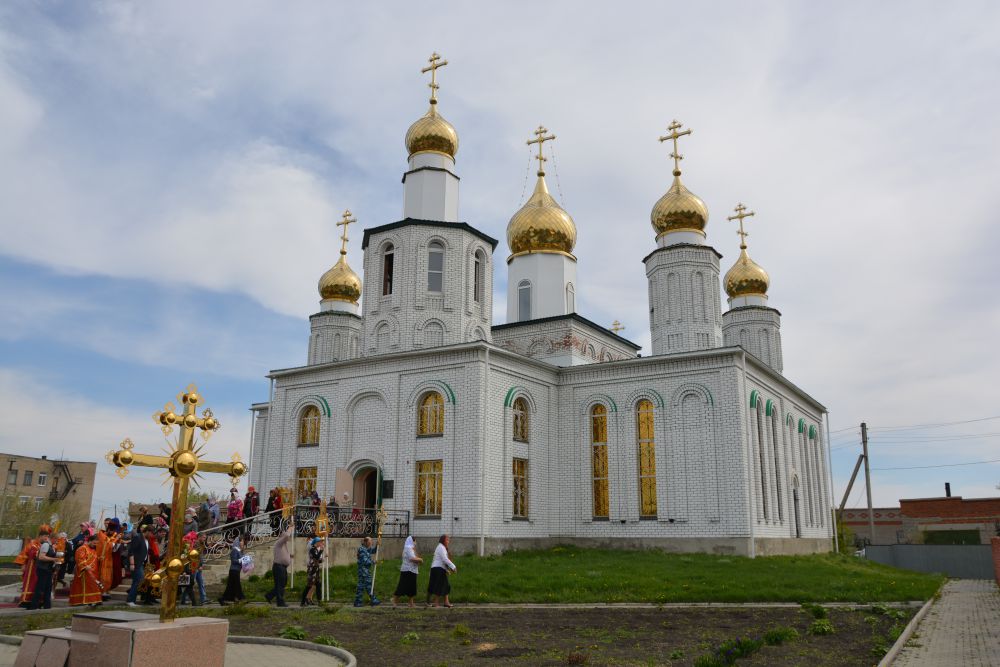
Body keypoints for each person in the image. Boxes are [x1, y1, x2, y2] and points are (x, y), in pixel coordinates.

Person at [68, 533, 102, 607]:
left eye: (96, 543)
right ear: (89, 541)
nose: (95, 545)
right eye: (94, 543)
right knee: (89, 586)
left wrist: (99, 559)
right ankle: (88, 601)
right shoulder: (82, 548)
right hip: (84, 571)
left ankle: (93, 600)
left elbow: (94, 559)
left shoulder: (93, 549)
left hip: (93, 571)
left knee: (93, 586)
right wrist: (85, 566)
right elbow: (80, 558)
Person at [28, 531, 59, 609]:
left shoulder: (51, 546)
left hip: (48, 569)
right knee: (40, 588)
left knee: (48, 588)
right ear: (53, 538)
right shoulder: (46, 545)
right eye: (56, 539)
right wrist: (54, 559)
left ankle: (47, 606)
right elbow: (41, 557)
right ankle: (34, 606)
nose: (57, 541)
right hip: (43, 569)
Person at [264, 525, 292, 607]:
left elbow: (282, 554)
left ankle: (269, 595)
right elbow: (287, 535)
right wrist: (290, 529)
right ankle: (280, 602)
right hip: (278, 567)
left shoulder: (283, 545)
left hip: (282, 567)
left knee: (282, 584)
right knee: (280, 585)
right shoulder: (279, 543)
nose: (287, 537)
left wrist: (290, 556)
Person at [392, 536, 423, 607]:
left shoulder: (411, 548)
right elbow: (412, 558)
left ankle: (411, 603)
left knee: (412, 587)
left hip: (412, 570)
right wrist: (420, 560)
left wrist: (418, 559)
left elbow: (415, 557)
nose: (415, 543)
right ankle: (394, 600)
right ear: (412, 541)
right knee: (402, 586)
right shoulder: (408, 548)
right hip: (407, 570)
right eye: (414, 541)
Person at [428, 534, 457, 608]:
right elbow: (445, 559)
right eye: (447, 540)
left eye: (449, 540)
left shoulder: (442, 547)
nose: (448, 541)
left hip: (439, 568)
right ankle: (435, 603)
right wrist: (453, 567)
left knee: (446, 585)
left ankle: (446, 602)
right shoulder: (441, 547)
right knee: (440, 585)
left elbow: (442, 561)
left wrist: (446, 570)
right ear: (443, 540)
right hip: (438, 569)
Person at [126, 526, 151, 607]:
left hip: (141, 563)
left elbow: (146, 552)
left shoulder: (146, 540)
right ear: (147, 531)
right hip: (136, 563)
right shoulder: (138, 538)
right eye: (150, 533)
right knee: (139, 581)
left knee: (137, 581)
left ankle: (131, 599)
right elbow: (131, 551)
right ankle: (130, 600)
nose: (151, 535)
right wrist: (132, 564)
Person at [218, 535, 246, 605]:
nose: (243, 542)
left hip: (237, 570)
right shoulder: (234, 550)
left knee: (231, 587)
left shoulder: (239, 550)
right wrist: (241, 560)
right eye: (242, 541)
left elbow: (242, 558)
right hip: (234, 570)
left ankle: (224, 599)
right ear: (238, 542)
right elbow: (234, 561)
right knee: (236, 585)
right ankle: (241, 598)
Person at [354, 536, 380, 607]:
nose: (371, 543)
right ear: (365, 542)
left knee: (361, 586)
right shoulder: (362, 549)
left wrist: (377, 545)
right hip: (363, 571)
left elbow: (373, 551)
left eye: (371, 541)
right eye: (370, 541)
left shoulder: (366, 549)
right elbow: (365, 560)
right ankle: (372, 599)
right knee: (368, 585)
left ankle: (358, 601)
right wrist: (373, 562)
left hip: (365, 571)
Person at [301, 537, 324, 606]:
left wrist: (321, 560)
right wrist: (321, 551)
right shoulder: (312, 550)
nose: (321, 543)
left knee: (318, 585)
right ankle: (302, 602)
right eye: (319, 542)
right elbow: (316, 557)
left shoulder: (316, 550)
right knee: (309, 586)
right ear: (316, 543)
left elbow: (317, 559)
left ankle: (320, 602)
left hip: (316, 570)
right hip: (312, 570)